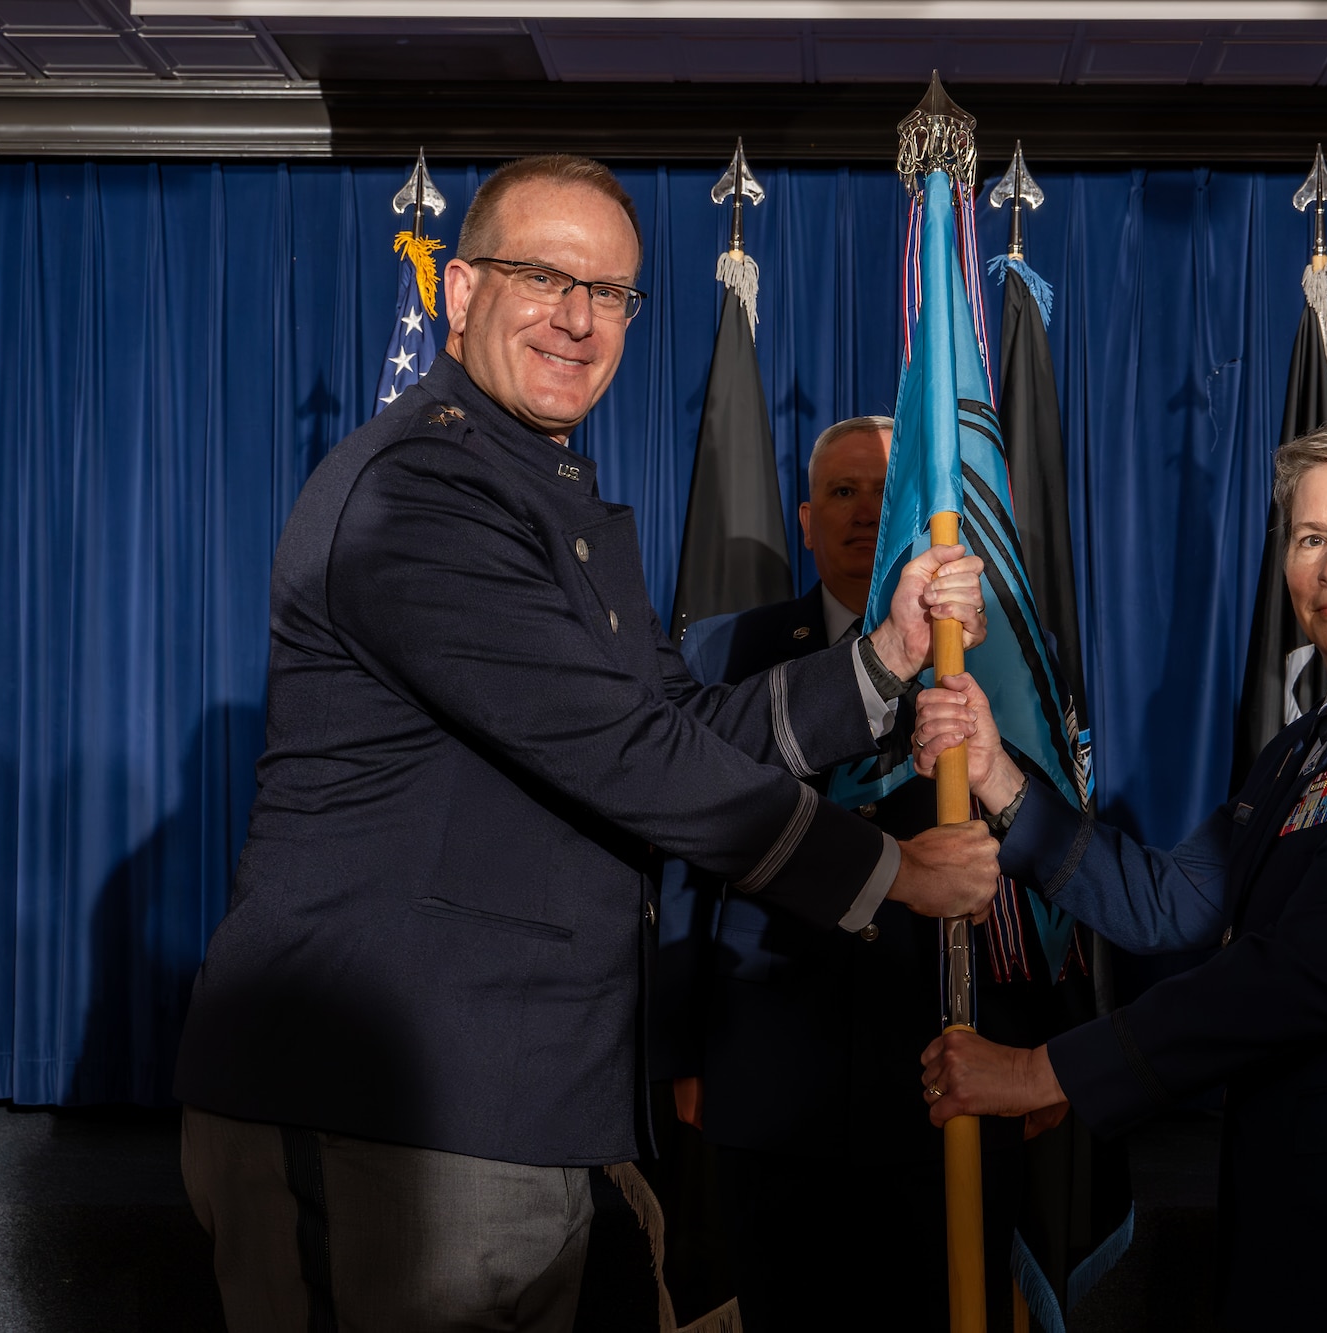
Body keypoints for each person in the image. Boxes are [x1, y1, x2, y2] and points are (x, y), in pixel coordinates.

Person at [171, 154, 1003, 1333]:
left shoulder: (546, 498)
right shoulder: (420, 497)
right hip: (379, 1107)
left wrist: (882, 662)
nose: (578, 316)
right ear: (457, 291)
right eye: (540, 277)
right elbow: (630, 759)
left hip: (522, 1096)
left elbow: (679, 724)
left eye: (609, 292)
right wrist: (889, 872)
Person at [911, 421, 1327, 1331]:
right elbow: (1172, 902)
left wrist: (1047, 1072)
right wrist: (1000, 777)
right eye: (1312, 538)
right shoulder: (1309, 744)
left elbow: (1303, 972)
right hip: (1317, 1220)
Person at [655, 417, 1067, 1333]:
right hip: (770, 1066)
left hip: (946, 1058)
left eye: (888, 494)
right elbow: (685, 853)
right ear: (805, 518)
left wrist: (1044, 1052)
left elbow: (1046, 862)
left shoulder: (998, 657)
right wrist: (683, 1047)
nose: (865, 512)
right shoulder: (727, 651)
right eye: (842, 492)